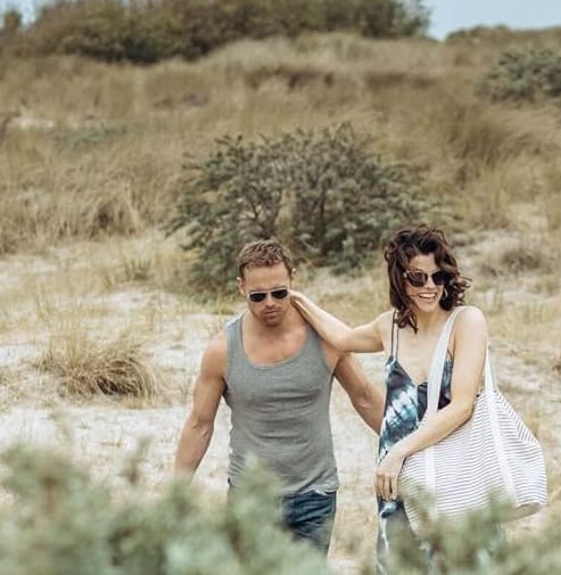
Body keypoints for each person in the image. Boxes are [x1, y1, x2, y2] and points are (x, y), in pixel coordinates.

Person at [289, 225, 490, 571]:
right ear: (400, 279)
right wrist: (296, 299)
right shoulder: (391, 327)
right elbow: (344, 337)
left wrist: (398, 452)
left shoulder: (466, 322)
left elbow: (462, 405)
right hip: (397, 480)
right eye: (418, 277)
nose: (429, 286)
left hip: (452, 474)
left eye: (438, 276)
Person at [174, 239, 385, 556]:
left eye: (279, 292)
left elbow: (365, 398)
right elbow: (200, 424)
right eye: (258, 296)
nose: (270, 303)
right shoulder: (223, 349)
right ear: (241, 287)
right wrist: (176, 492)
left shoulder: (326, 338)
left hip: (315, 496)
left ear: (293, 280)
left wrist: (412, 448)